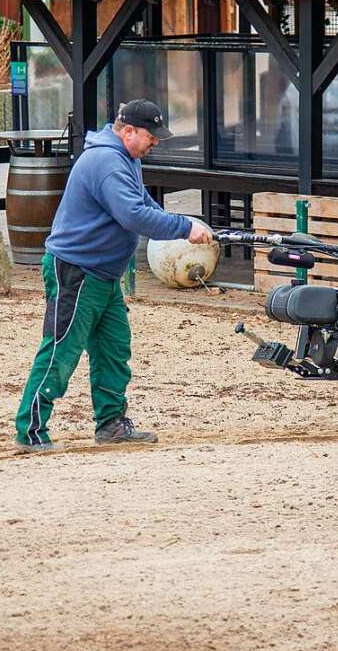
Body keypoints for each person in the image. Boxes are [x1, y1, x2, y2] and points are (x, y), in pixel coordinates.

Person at [14, 100, 212, 453]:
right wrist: (184, 228)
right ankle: (30, 430)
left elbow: (146, 205)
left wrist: (186, 225)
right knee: (61, 350)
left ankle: (112, 424)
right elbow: (133, 215)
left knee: (113, 350)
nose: (156, 142)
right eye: (151, 136)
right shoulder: (106, 161)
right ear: (128, 131)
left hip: (104, 275)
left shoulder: (127, 159)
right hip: (76, 271)